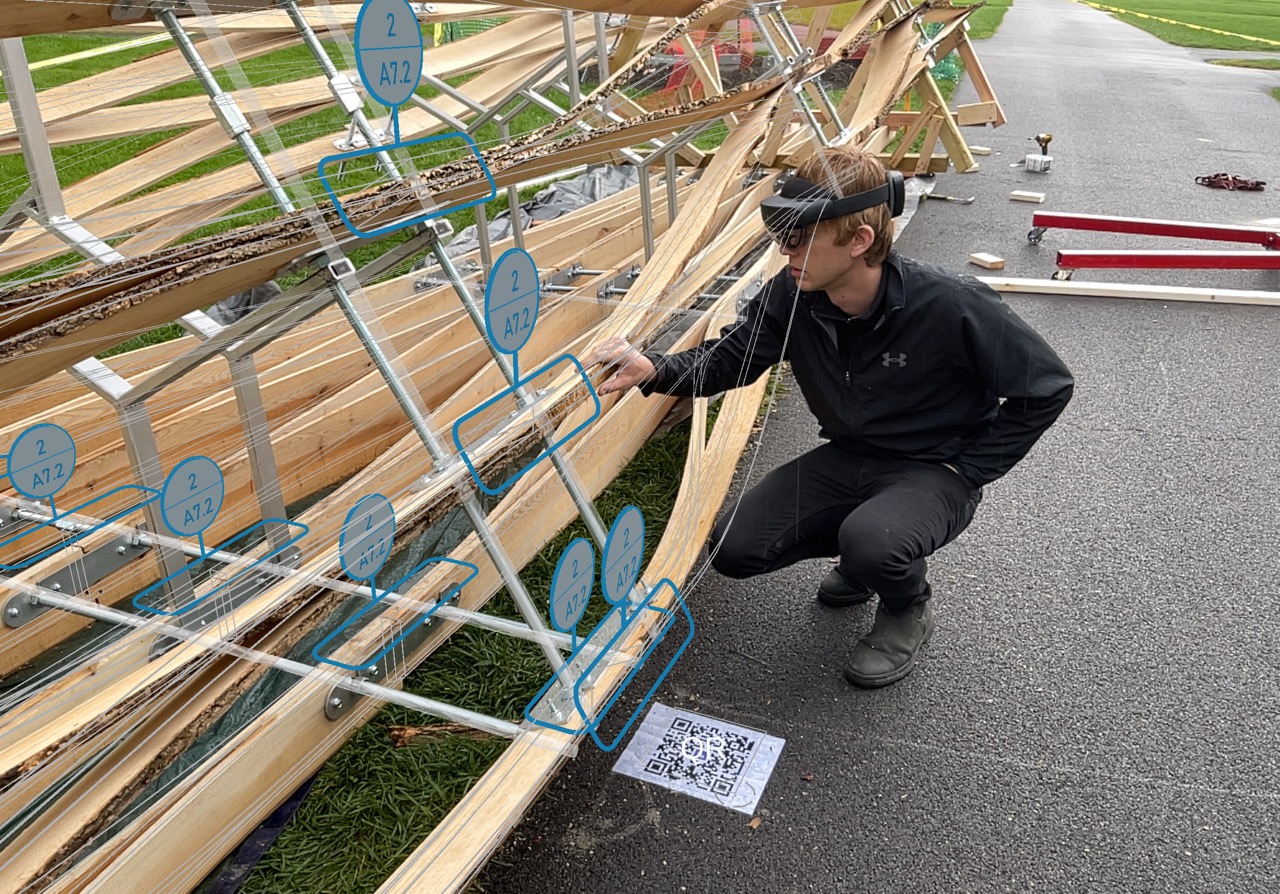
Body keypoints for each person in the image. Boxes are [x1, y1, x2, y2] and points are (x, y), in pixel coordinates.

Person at [587, 147, 1074, 687]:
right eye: (782, 233)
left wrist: (969, 470)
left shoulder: (950, 303)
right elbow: (731, 359)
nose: (784, 249)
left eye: (800, 237)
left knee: (875, 542)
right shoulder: (792, 295)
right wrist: (653, 368)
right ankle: (867, 556)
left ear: (859, 241)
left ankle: (906, 602)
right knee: (735, 549)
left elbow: (1047, 387)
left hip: (934, 469)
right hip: (848, 456)